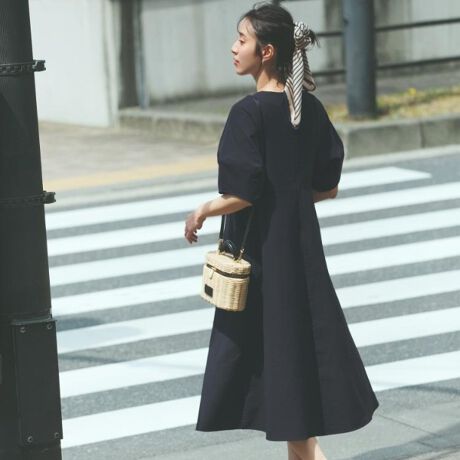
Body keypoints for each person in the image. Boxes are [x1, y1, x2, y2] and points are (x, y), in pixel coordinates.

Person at [184, 2, 379, 459]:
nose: (233, 48)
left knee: (278, 360)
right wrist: (289, 198)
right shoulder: (308, 109)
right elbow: (328, 186)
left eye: (242, 40)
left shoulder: (248, 113)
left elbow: (243, 192)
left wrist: (202, 211)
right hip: (301, 250)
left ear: (267, 51)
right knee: (296, 358)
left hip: (264, 257)